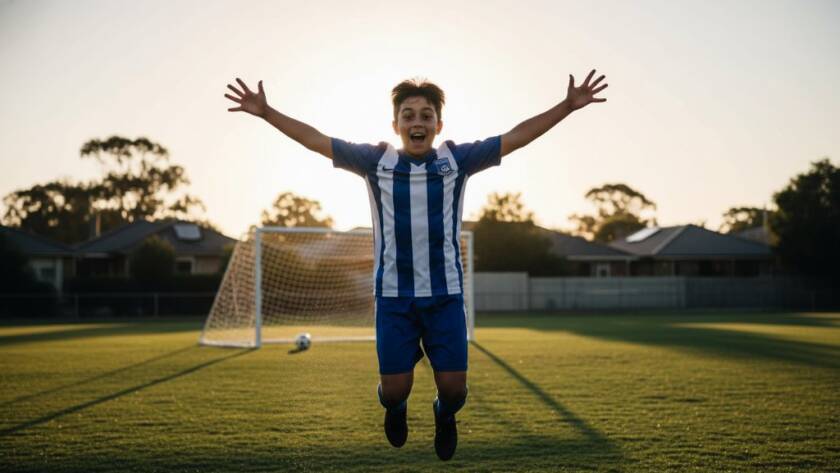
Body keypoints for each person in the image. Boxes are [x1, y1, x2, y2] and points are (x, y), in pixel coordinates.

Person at [224, 71, 608, 460]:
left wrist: (566, 107)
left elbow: (516, 137)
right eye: (408, 115)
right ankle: (396, 408)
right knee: (393, 391)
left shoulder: (457, 159)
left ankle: (444, 415)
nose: (417, 122)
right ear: (396, 125)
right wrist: (267, 112)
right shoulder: (376, 161)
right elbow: (316, 141)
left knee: (455, 391)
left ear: (438, 125)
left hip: (445, 297)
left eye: (426, 115)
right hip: (394, 299)